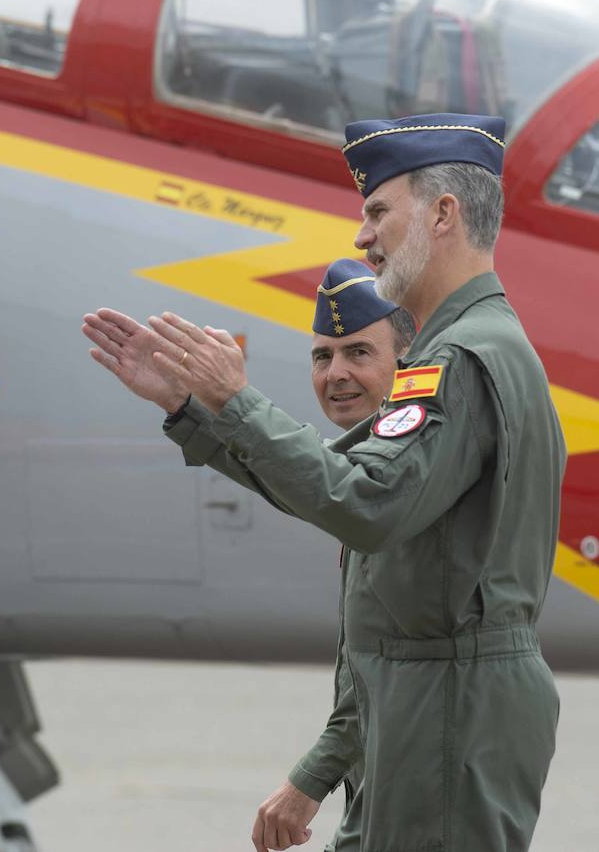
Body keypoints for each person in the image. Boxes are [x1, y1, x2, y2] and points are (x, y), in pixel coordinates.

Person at [82, 112, 566, 852]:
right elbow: (341, 483)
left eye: (378, 211)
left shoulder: (459, 358)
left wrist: (235, 401)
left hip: (444, 710)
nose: (362, 236)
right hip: (426, 707)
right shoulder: (472, 345)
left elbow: (363, 502)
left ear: (443, 214)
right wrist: (193, 409)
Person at [255, 259, 415, 852]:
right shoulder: (373, 463)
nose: (336, 374)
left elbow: (390, 671)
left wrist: (307, 782)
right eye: (323, 357)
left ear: (407, 361)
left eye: (358, 354)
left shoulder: (402, 482)